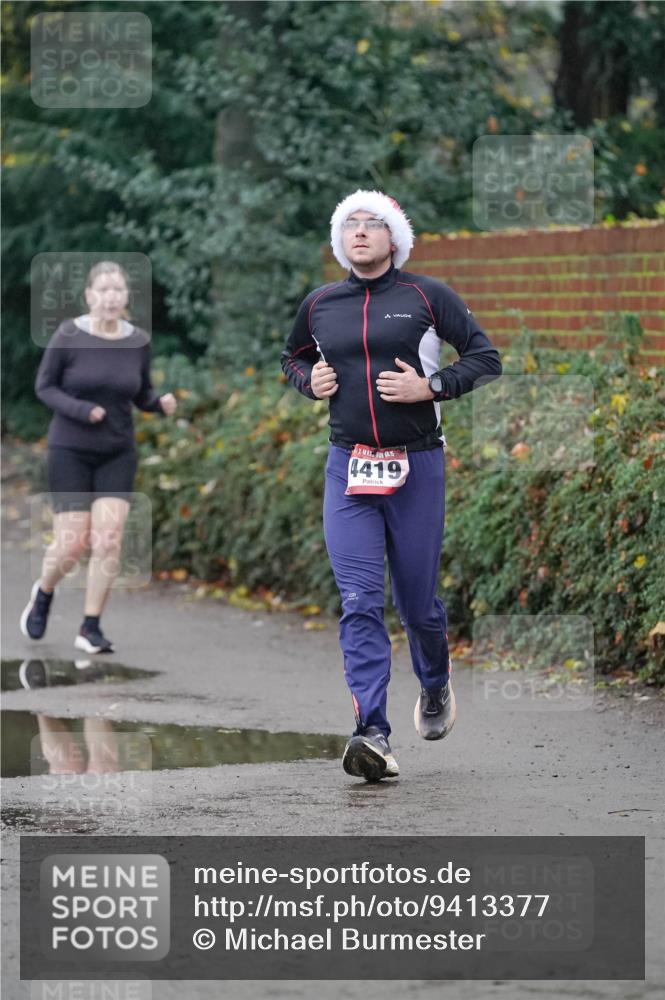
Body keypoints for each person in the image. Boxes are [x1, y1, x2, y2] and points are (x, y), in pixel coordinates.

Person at [281, 190, 502, 782]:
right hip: (347, 465)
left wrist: (431, 388)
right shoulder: (321, 303)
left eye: (372, 223)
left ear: (394, 237)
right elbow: (292, 357)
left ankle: (434, 683)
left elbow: (485, 357)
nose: (359, 232)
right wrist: (311, 380)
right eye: (349, 224)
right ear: (339, 239)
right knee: (358, 599)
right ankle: (371, 731)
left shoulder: (427, 296)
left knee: (416, 604)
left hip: (417, 466)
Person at [20, 261, 177, 653]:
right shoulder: (69, 334)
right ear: (89, 295)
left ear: (126, 298)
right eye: (103, 290)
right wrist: (80, 410)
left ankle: (90, 626)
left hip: (117, 450)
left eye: (118, 290)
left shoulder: (137, 340)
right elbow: (45, 387)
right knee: (72, 543)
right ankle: (44, 591)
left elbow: (140, 393)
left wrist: (159, 404)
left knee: (108, 539)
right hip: (70, 448)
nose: (110, 297)